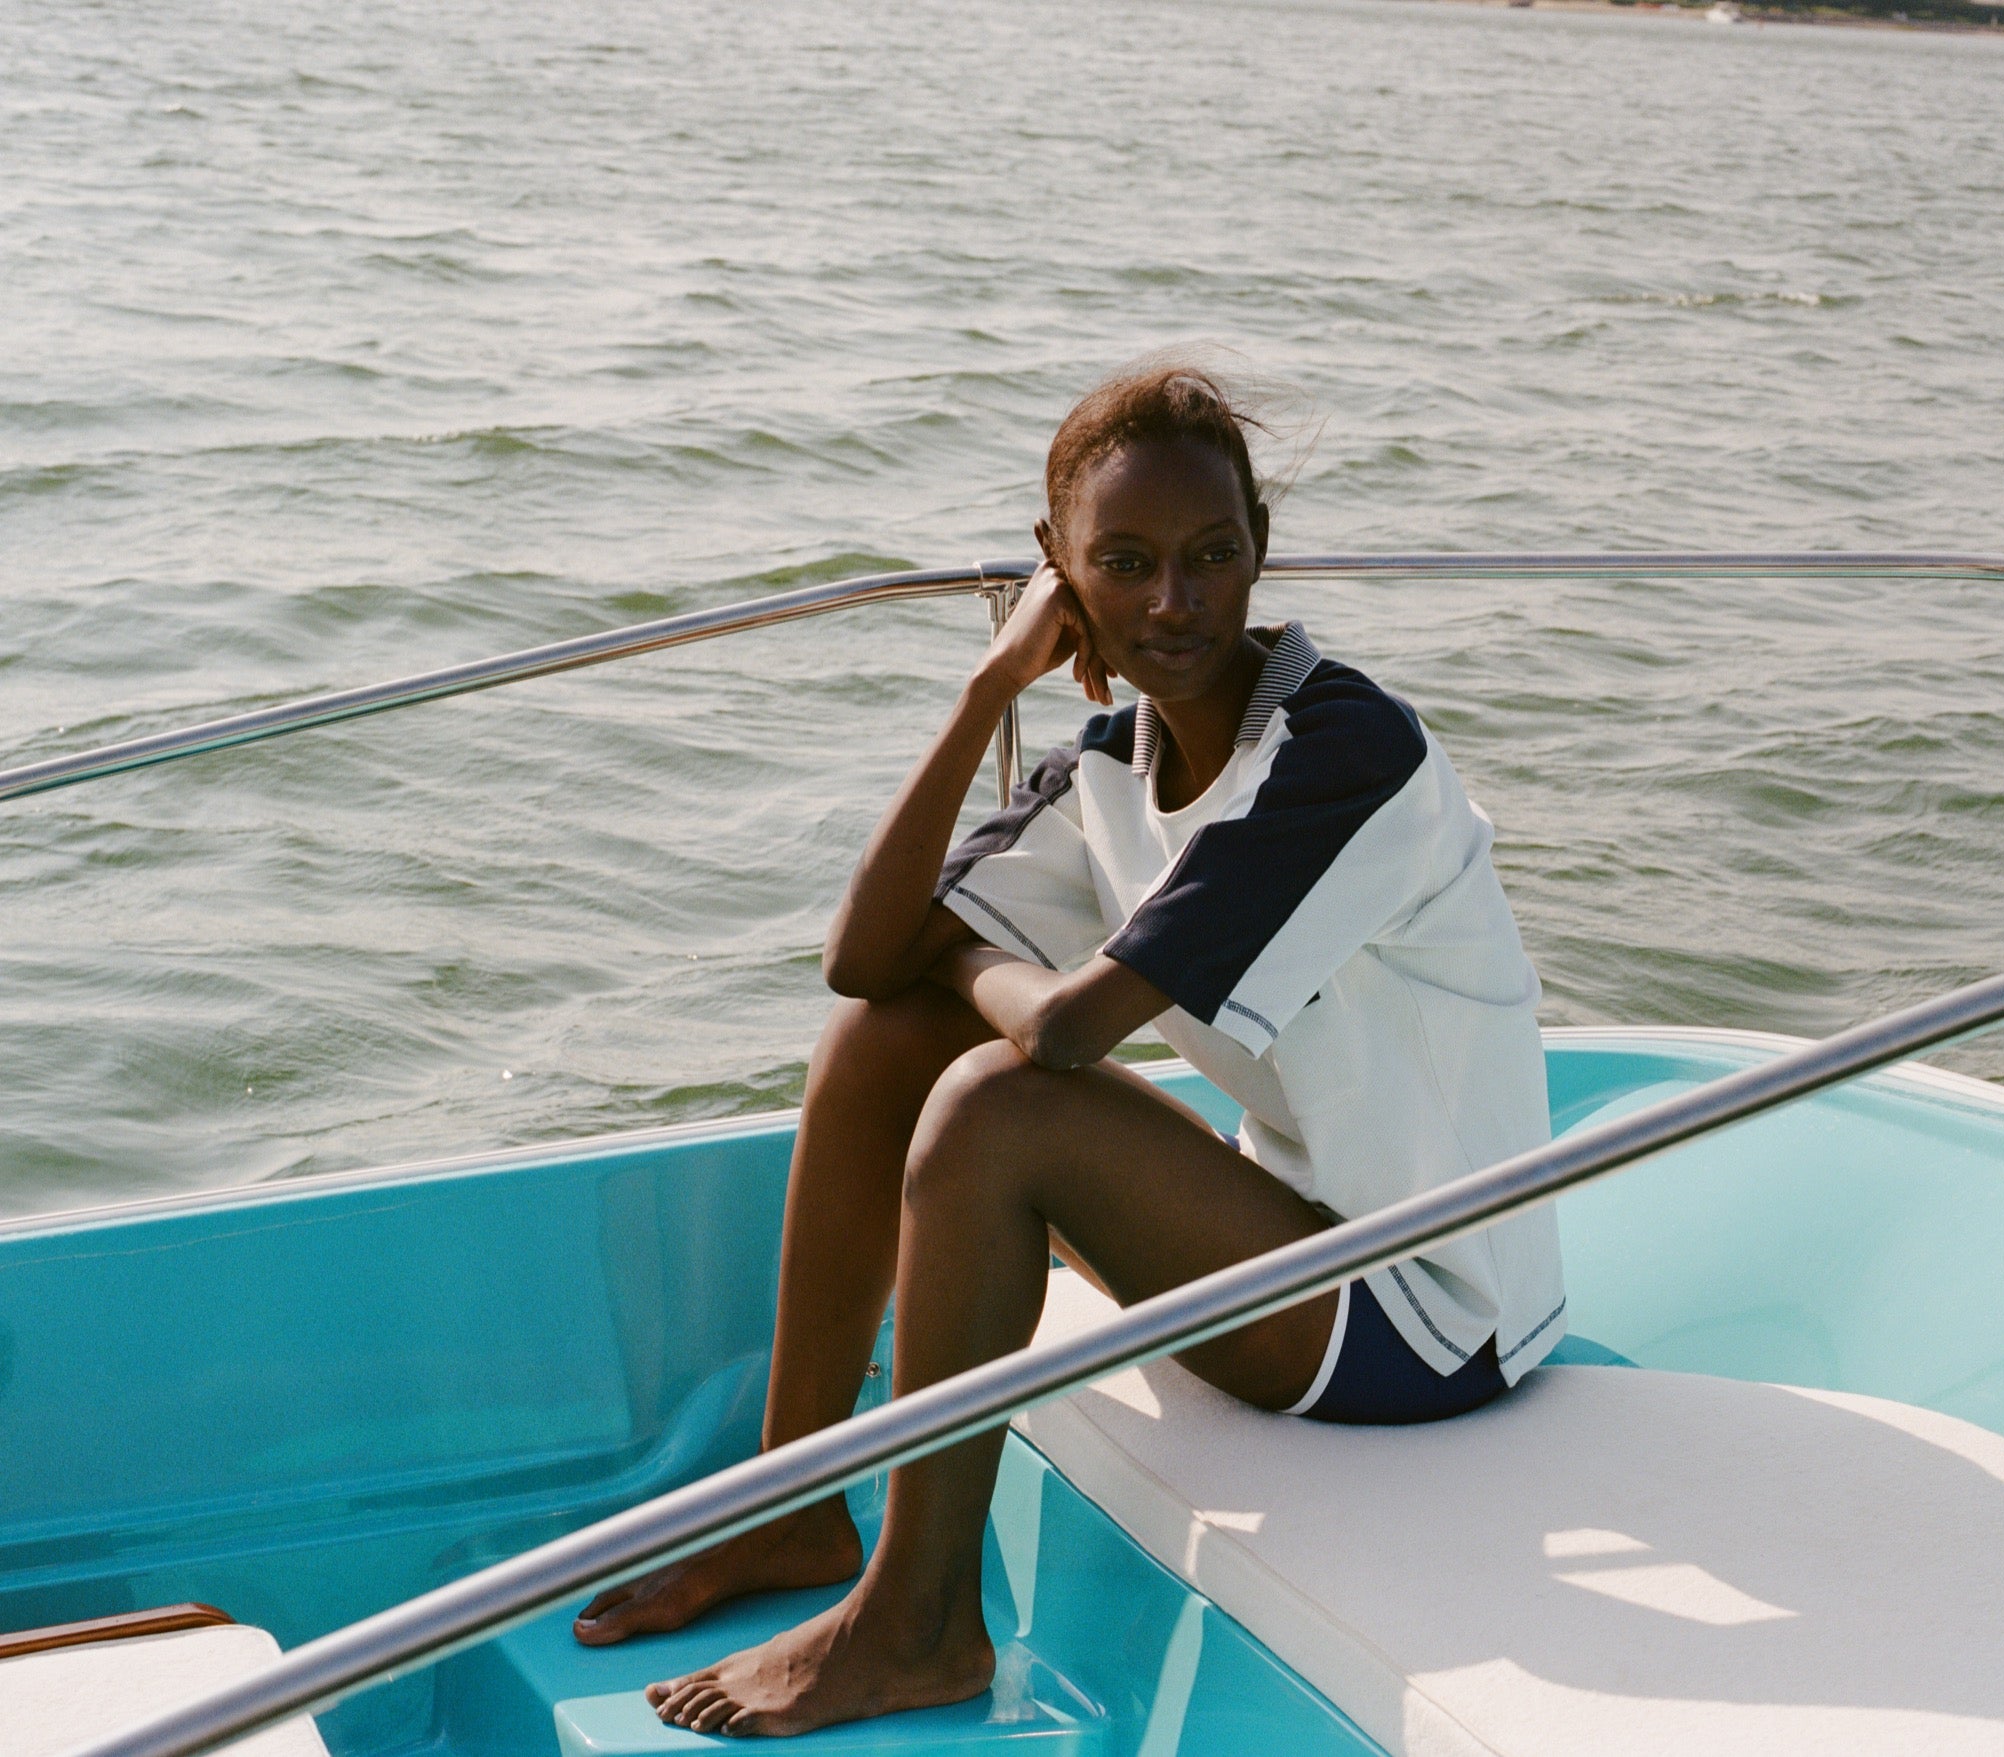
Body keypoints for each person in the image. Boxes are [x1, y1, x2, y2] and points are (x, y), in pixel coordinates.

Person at [570, 361, 1565, 1739]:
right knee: (886, 1040)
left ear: (1260, 550)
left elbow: (1065, 1028)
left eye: (1214, 556)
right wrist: (992, 681)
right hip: (1298, 1232)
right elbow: (864, 962)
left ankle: (916, 1624)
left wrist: (970, 959)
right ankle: (796, 1506)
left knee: (997, 1103)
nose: (1176, 600)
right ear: (1061, 574)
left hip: (1432, 1309)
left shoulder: (1343, 753)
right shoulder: (1114, 754)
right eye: (1128, 562)